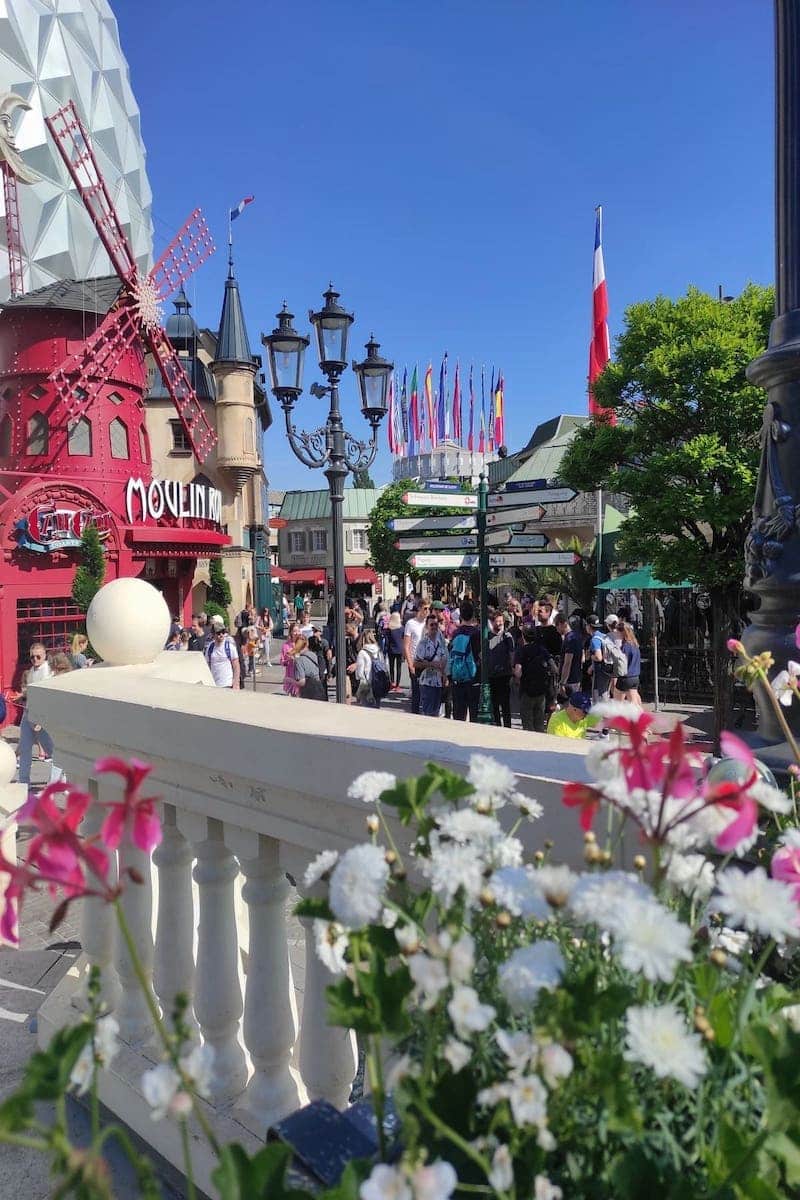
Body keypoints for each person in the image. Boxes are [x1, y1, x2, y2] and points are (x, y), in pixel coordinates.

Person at [17, 642, 54, 786]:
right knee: (25, 749)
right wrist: (22, 695)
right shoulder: (31, 671)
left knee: (53, 752)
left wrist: (41, 720)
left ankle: (60, 781)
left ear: (45, 655)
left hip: (43, 719)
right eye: (32, 657)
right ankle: (23, 783)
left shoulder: (49, 673)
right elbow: (33, 693)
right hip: (29, 715)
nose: (35, 660)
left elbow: (48, 698)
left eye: (38, 656)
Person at [513, 623, 559, 733]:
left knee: (528, 723)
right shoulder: (542, 650)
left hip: (527, 690)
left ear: (523, 636)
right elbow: (554, 669)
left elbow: (518, 672)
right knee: (539, 723)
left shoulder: (521, 650)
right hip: (541, 691)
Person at [449, 598, 482, 722]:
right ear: (473, 615)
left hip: (458, 677)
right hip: (473, 677)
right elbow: (480, 655)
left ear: (461, 616)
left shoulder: (456, 633)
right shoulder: (476, 633)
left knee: (458, 715)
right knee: (474, 713)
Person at [414, 612, 448, 717]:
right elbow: (416, 663)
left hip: (438, 682)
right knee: (428, 713)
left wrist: (445, 676)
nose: (434, 627)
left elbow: (444, 659)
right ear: (427, 626)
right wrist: (431, 664)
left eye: (436, 624)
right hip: (426, 682)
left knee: (436, 713)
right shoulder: (423, 643)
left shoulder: (441, 642)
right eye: (431, 624)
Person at [487, 612, 515, 728]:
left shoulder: (507, 637)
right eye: (497, 621)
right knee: (494, 704)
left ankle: (508, 726)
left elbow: (512, 654)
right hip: (492, 675)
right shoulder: (487, 636)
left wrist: (512, 670)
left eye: (501, 621)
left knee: (505, 704)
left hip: (505, 675)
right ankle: (497, 725)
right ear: (492, 622)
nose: (499, 624)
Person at [404, 602, 430, 715]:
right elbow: (406, 646)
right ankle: (415, 715)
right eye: (425, 608)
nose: (427, 611)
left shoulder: (428, 623)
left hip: (428, 661)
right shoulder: (410, 624)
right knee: (416, 692)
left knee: (428, 691)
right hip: (415, 661)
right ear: (419, 609)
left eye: (429, 609)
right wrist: (410, 664)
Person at [204, 621, 240, 689]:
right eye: (218, 633)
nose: (221, 635)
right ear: (213, 634)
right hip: (214, 685)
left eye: (223, 632)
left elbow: (236, 666)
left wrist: (236, 683)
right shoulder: (210, 647)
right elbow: (207, 665)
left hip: (227, 684)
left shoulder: (230, 647)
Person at [586, 613, 612, 703]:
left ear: (589, 626)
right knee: (604, 691)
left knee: (600, 693)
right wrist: (591, 667)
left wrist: (590, 656)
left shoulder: (594, 639)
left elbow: (598, 657)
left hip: (600, 670)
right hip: (608, 667)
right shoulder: (603, 635)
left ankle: (603, 714)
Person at [293, 635, 327, 700]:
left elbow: (302, 682)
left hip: (308, 692)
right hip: (319, 688)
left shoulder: (299, 660)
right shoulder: (314, 655)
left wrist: (289, 680)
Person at [617, 621, 643, 706]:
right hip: (635, 676)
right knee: (635, 701)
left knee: (617, 704)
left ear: (621, 632)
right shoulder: (635, 644)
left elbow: (622, 662)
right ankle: (641, 716)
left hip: (625, 677)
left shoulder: (625, 647)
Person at [560, 614, 585, 698]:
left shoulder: (569, 639)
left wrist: (562, 682)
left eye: (557, 626)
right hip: (577, 677)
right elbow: (583, 659)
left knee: (567, 705)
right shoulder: (578, 637)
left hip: (569, 680)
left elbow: (567, 662)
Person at [355, 629, 381, 707]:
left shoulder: (362, 652)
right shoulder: (378, 650)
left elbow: (360, 672)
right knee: (376, 706)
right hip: (377, 682)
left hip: (367, 683)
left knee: (366, 707)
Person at [308, 627, 332, 699]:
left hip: (322, 666)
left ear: (320, 632)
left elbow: (328, 658)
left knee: (322, 686)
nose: (314, 632)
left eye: (316, 631)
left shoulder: (324, 642)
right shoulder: (310, 640)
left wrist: (329, 673)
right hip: (313, 666)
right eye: (314, 631)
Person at [281, 621, 300, 696]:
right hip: (291, 673)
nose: (296, 633)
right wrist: (289, 660)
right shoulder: (286, 645)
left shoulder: (303, 644)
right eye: (294, 631)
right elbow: (282, 661)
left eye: (298, 631)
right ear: (291, 632)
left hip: (301, 674)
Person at [386, 611, 405, 690]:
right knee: (399, 667)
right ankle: (397, 685)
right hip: (400, 649)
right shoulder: (402, 628)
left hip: (391, 649)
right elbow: (403, 639)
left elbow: (387, 640)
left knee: (391, 666)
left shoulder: (389, 629)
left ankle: (392, 682)